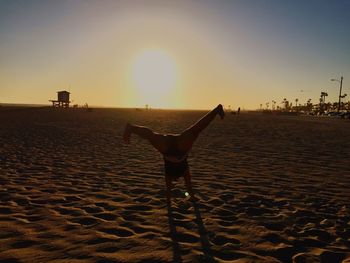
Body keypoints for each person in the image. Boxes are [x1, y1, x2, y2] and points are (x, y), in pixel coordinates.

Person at [123, 104, 225, 204]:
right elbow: (178, 187)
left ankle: (216, 110)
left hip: (176, 148)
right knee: (153, 136)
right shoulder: (175, 172)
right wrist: (189, 198)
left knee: (195, 130)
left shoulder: (181, 171)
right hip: (172, 148)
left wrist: (173, 200)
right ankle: (131, 128)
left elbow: (184, 186)